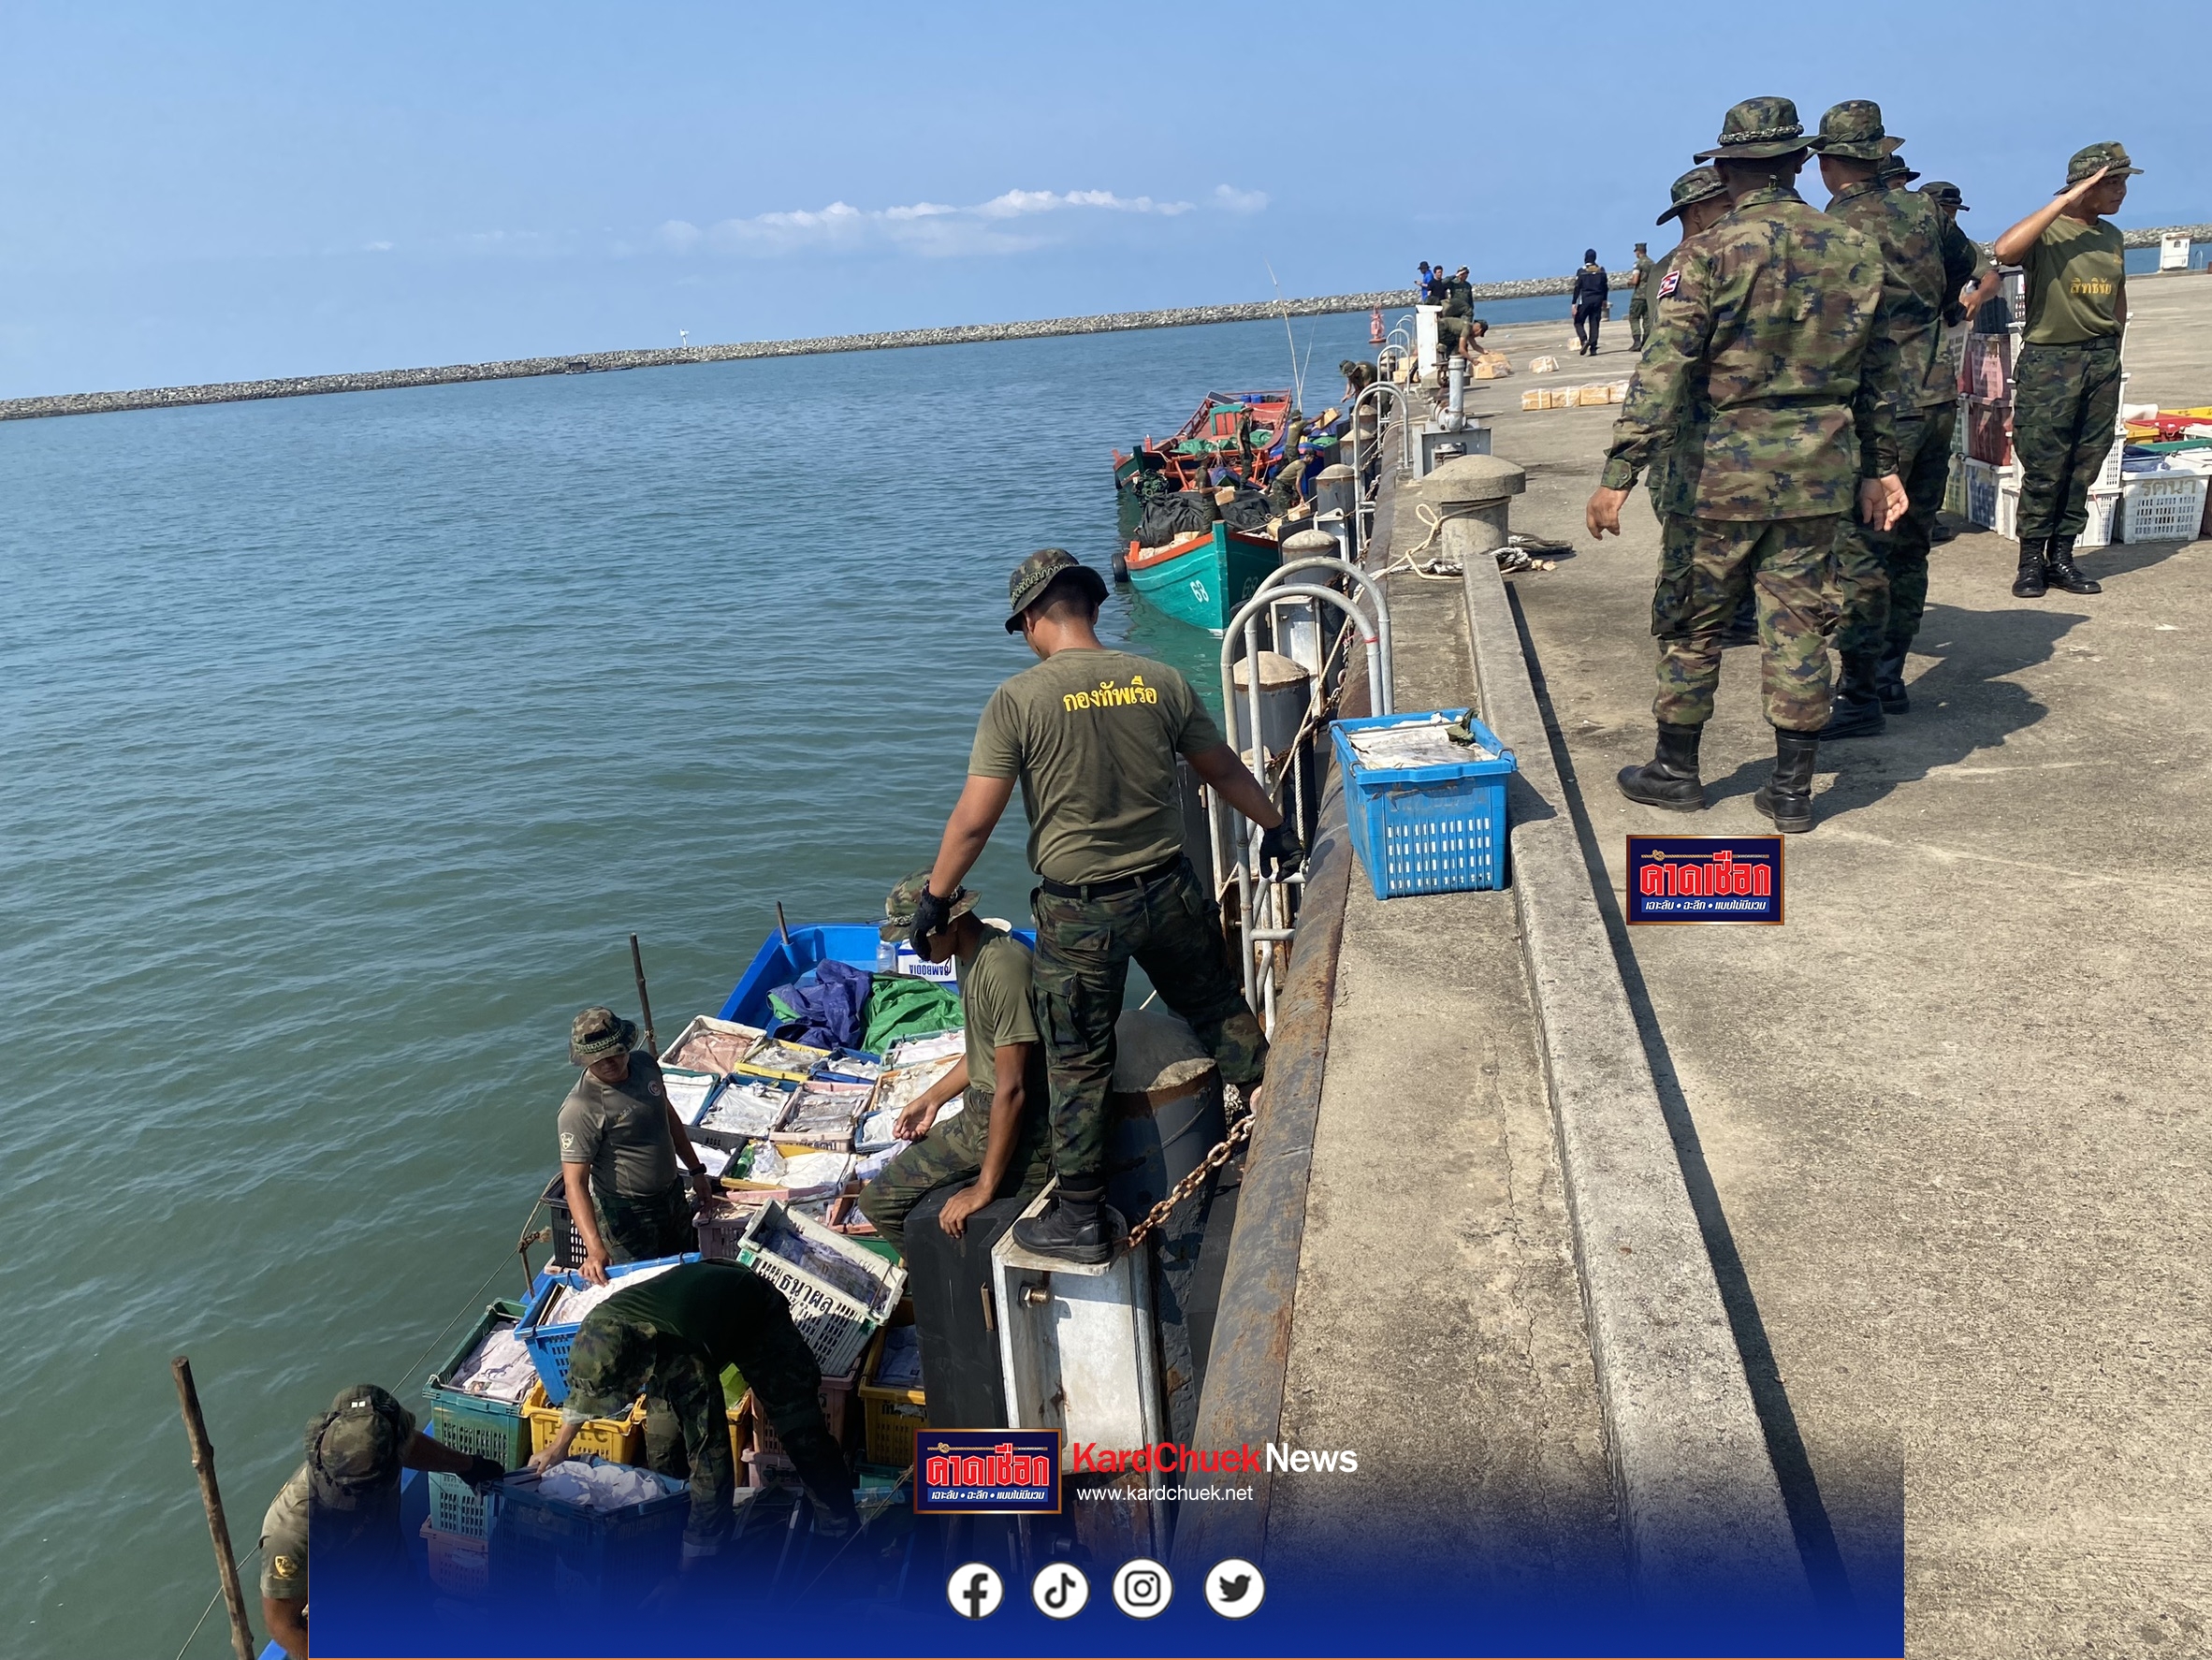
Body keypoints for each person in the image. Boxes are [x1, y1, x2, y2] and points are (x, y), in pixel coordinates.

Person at [911, 549, 1292, 1262]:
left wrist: (935, 899)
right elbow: (1221, 768)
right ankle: (1283, 1119)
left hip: (1082, 913)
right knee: (1215, 1006)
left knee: (1078, 1055)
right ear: (1090, 606)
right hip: (1169, 887)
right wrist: (1275, 827)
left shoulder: (1018, 700)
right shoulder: (1158, 679)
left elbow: (974, 821)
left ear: (1033, 618)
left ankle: (1082, 1216)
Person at [1587, 96, 1907, 835]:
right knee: (1798, 623)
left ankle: (1676, 772)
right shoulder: (1854, 248)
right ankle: (1792, 790)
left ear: (1728, 168)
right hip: (1818, 473)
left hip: (1717, 478)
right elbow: (1879, 372)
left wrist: (1620, 473)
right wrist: (1879, 466)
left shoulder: (1706, 253)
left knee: (1693, 623)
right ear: (1798, 163)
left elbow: (1664, 368)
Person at [1809, 102, 1985, 737]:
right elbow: (1966, 269)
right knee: (1911, 545)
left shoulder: (1831, 228)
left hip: (1876, 410)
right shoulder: (1926, 212)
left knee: (1862, 551)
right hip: (1935, 396)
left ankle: (1858, 695)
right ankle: (1889, 676)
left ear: (1829, 164)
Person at [530, 1260, 860, 1564]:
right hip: (688, 1314)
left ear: (638, 1371)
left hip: (753, 1311)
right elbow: (587, 1388)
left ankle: (840, 1535)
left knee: (801, 1433)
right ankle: (677, 1526)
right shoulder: (596, 1331)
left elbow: (711, 1456)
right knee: (661, 1445)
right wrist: (558, 1448)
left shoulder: (685, 1366)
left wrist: (694, 1561)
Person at [857, 871, 1054, 1255]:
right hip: (977, 1114)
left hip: (1022, 1130)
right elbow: (983, 1051)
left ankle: (959, 1285)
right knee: (878, 1202)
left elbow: (1012, 1089)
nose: (916, 950)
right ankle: (932, 1278)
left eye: (919, 938)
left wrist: (984, 1188)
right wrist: (932, 1099)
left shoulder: (1004, 969)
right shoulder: (965, 958)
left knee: (1003, 1248)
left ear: (950, 923)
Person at [1992, 143, 2139, 599]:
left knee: (2085, 464)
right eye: (2111, 182)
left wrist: (2114, 345)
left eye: (2124, 182)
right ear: (2084, 186)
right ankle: (2030, 563)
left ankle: (2062, 558)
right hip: (2051, 362)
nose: (2121, 191)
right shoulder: (2048, 231)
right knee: (2044, 466)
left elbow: (2117, 295)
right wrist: (2065, 200)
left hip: (2100, 360)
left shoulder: (2111, 236)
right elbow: (2004, 250)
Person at [259, 1384, 502, 1658]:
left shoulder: (384, 1447)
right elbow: (282, 1624)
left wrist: (467, 1466)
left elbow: (410, 1447)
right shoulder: (291, 1529)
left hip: (399, 1583)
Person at [559, 1006, 719, 1286]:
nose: (608, 1063)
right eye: (598, 1059)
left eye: (614, 1053)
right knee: (642, 1285)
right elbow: (575, 1183)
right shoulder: (580, 1108)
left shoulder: (645, 1065)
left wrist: (696, 1171)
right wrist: (594, 1248)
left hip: (672, 1194)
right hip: (628, 1214)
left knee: (685, 1270)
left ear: (626, 1045)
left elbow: (667, 1116)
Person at [1570, 250, 1608, 355]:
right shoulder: (1601, 270)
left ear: (1585, 258)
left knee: (1578, 321)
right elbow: (1605, 287)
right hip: (1598, 299)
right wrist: (1604, 299)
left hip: (1586, 299)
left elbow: (1577, 288)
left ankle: (1584, 340)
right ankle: (1593, 347)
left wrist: (1574, 303)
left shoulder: (1581, 272)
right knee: (1594, 323)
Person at [1626, 242, 1655, 349]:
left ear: (1638, 252)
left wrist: (1629, 282)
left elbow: (1635, 280)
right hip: (1649, 295)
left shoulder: (1638, 264)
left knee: (1634, 317)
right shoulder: (1652, 263)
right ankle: (1646, 341)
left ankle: (1637, 341)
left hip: (1639, 295)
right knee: (1647, 319)